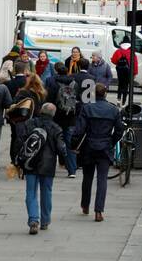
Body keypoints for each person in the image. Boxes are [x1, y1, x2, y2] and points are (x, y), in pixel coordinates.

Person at [73, 83, 124, 222]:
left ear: (94, 94)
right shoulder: (113, 110)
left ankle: (85, 205)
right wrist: (111, 142)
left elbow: (79, 130)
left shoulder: (87, 108)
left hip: (89, 146)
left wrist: (74, 144)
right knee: (102, 179)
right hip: (105, 146)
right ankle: (99, 211)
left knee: (87, 177)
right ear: (106, 93)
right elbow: (119, 130)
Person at [18, 102, 68, 234]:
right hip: (48, 164)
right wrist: (65, 159)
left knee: (31, 192)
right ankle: (45, 221)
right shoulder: (56, 128)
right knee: (47, 192)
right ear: (53, 114)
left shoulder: (30, 124)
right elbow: (61, 148)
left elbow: (20, 140)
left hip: (30, 162)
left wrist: (19, 160)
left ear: (41, 111)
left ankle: (33, 219)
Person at [48, 63, 79, 177]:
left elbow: (49, 99)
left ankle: (50, 168)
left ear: (57, 72)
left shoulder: (52, 82)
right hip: (70, 118)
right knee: (69, 144)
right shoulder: (74, 83)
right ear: (67, 72)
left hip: (56, 118)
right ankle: (72, 170)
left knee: (52, 143)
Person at [111, 39, 139, 107]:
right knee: (126, 86)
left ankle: (118, 100)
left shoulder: (118, 51)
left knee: (120, 85)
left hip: (120, 71)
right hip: (129, 72)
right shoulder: (132, 52)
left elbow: (113, 60)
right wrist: (135, 73)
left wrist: (119, 63)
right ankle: (123, 103)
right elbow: (135, 63)